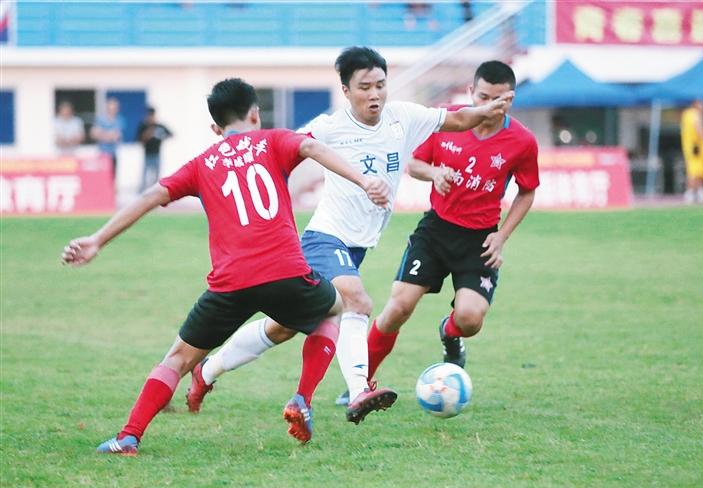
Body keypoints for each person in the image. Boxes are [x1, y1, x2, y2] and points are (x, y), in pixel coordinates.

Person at [61, 78, 389, 453]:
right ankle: (302, 398)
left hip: (230, 282)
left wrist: (97, 240)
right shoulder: (273, 141)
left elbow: (152, 195)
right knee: (333, 309)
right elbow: (311, 146)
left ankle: (128, 437)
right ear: (255, 114)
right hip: (285, 272)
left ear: (216, 128)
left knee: (177, 359)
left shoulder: (202, 163)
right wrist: (364, 181)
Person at [186, 46, 513, 418]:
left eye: (380, 85)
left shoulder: (404, 117)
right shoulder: (329, 127)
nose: (375, 95)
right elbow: (272, 151)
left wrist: (486, 111)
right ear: (345, 90)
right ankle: (359, 390)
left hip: (355, 247)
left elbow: (457, 119)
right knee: (357, 302)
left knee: (283, 327)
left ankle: (207, 371)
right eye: (364, 87)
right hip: (325, 238)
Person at [358, 60, 539, 391]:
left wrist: (502, 236)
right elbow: (414, 164)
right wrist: (435, 172)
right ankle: (359, 384)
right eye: (483, 97)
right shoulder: (446, 121)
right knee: (398, 307)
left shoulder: (522, 141)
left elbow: (527, 192)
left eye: (498, 99)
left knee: (470, 320)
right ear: (471, 92)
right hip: (436, 231)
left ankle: (450, 333)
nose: (489, 106)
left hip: (480, 240)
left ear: (510, 99)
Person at [680, 99, 703, 204]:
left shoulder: (686, 114)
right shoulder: (695, 114)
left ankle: (697, 192)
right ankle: (693, 192)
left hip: (689, 147)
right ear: (696, 104)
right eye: (702, 104)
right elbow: (699, 129)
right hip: (697, 147)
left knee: (695, 170)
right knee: (696, 171)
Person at [136, 106, 173, 193]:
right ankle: (142, 192)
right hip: (147, 155)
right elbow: (138, 139)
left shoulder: (159, 126)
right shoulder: (143, 126)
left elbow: (171, 134)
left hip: (157, 154)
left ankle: (154, 192)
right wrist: (147, 134)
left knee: (156, 175)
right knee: (144, 175)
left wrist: (162, 136)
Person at [91, 97, 124, 184]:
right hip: (102, 154)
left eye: (115, 108)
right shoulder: (100, 119)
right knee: (101, 178)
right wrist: (109, 135)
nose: (113, 110)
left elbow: (117, 136)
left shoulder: (119, 120)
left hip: (113, 154)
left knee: (113, 178)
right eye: (111, 108)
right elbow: (94, 134)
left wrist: (103, 134)